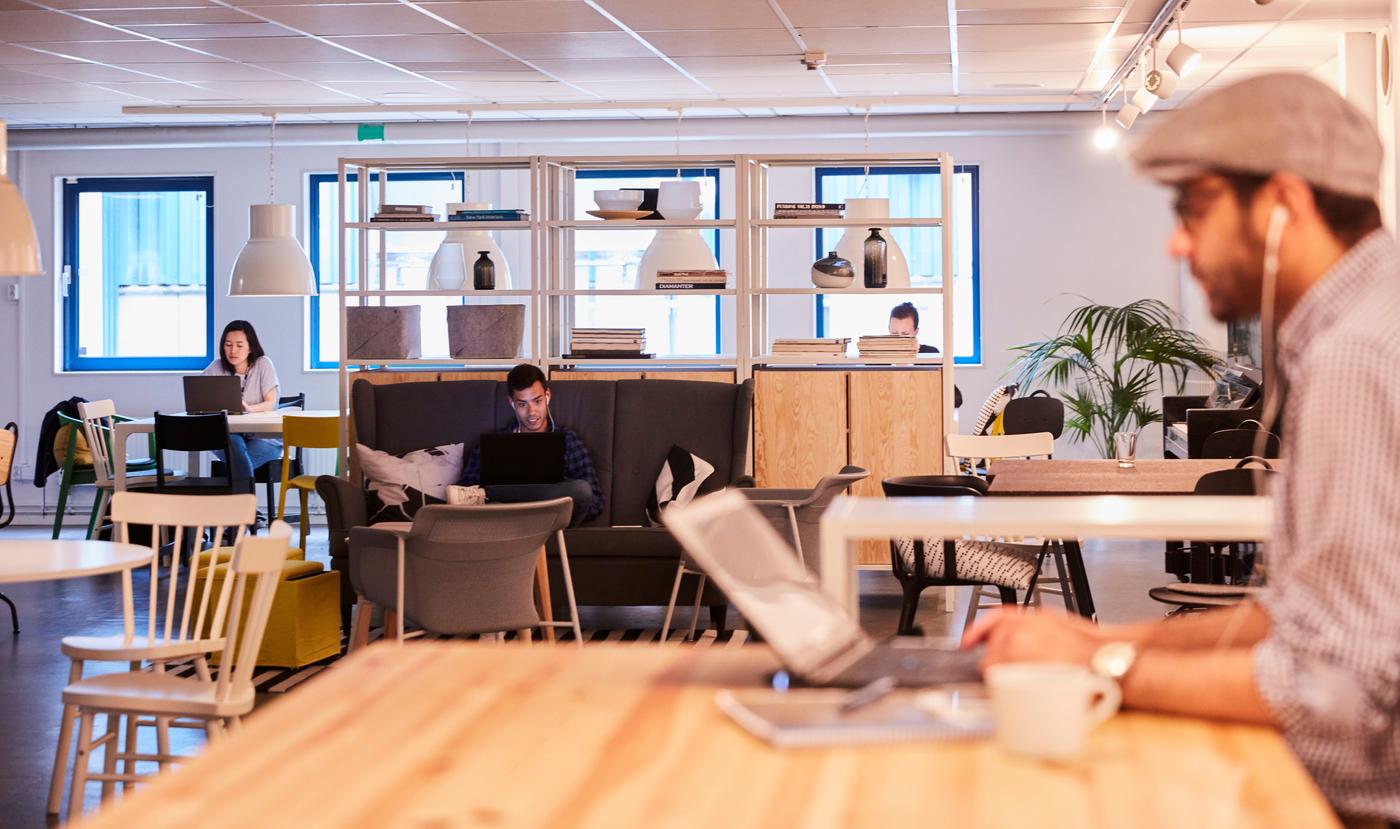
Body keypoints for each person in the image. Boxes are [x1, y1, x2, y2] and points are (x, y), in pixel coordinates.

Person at [962, 74, 1400, 826]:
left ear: (1283, 205)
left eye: (1196, 210)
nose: (1177, 241)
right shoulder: (1366, 321)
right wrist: (1096, 634)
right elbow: (1306, 619)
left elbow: (1343, 696)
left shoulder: (1355, 358)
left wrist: (1102, 668)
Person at [458, 364, 603, 527]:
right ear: (512, 403)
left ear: (547, 396)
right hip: (509, 520)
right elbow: (463, 493)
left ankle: (493, 494)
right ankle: (502, 502)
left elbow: (595, 501)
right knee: (489, 506)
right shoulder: (496, 443)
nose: (532, 412)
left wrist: (554, 490)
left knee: (581, 490)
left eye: (537, 401)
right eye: (522, 404)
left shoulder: (568, 440)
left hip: (553, 521)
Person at [201, 320, 281, 501]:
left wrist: (249, 409)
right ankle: (248, 512)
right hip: (229, 434)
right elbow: (199, 397)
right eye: (228, 345)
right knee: (235, 445)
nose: (233, 350)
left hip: (264, 437)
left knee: (236, 461)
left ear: (251, 347)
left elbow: (271, 403)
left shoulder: (263, 364)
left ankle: (236, 512)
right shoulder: (216, 367)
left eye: (239, 345)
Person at [889, 302, 962, 408]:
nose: (899, 339)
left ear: (915, 332)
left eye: (905, 334)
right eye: (894, 334)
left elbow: (956, 399)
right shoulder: (876, 359)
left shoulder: (930, 355)